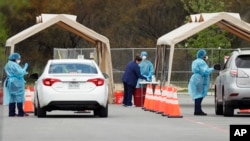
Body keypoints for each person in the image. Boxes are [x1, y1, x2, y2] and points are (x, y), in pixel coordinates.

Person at [188, 49, 214, 116]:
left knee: (197, 95)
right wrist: (213, 68)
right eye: (204, 56)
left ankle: (197, 110)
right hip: (200, 79)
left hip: (194, 78)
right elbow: (205, 71)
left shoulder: (195, 61)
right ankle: (198, 111)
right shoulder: (201, 62)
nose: (205, 57)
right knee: (199, 95)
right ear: (202, 55)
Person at [3, 52, 29, 117]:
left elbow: (14, 72)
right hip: (16, 82)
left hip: (9, 82)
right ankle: (21, 113)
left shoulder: (7, 64)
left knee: (12, 97)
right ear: (14, 59)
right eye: (18, 59)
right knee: (19, 97)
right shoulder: (14, 64)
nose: (19, 60)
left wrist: (23, 72)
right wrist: (25, 68)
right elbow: (20, 72)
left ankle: (11, 113)